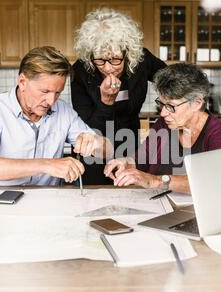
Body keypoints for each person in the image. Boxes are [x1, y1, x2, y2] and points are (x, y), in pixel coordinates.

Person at [0, 46, 113, 186]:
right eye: (45, 91)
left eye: (57, 93)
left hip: (47, 204)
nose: (51, 101)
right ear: (22, 82)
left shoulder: (63, 110)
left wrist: (95, 143)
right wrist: (46, 164)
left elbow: (108, 150)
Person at [104, 63, 221, 194]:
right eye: (161, 104)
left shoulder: (219, 134)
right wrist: (126, 162)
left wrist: (154, 181)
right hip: (159, 203)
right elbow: (142, 158)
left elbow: (212, 181)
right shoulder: (164, 124)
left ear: (196, 103)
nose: (163, 113)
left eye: (171, 106)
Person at [71, 8, 166, 184]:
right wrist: (105, 102)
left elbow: (170, 81)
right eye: (99, 60)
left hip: (129, 143)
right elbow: (87, 128)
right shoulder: (81, 71)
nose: (108, 68)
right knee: (95, 195)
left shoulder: (141, 61)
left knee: (130, 193)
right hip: (95, 150)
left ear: (128, 52)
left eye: (115, 59)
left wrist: (171, 107)